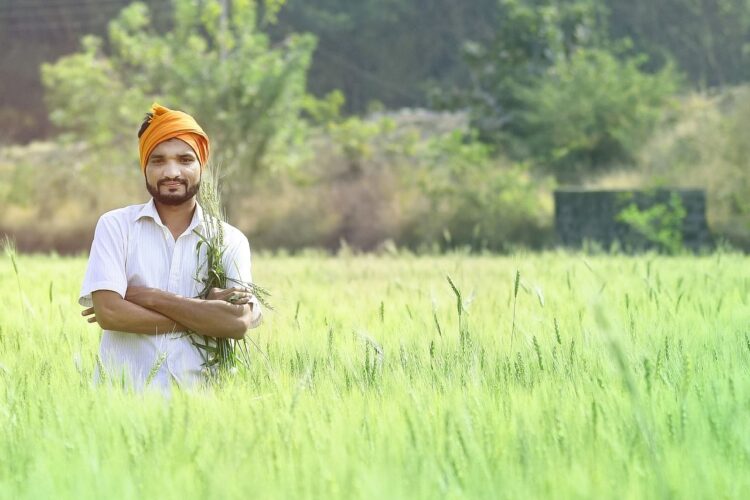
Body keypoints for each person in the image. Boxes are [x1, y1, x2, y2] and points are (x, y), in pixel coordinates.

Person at [79, 103, 262, 393]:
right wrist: (206, 312)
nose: (172, 172)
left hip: (201, 406)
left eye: (185, 159)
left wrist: (147, 297)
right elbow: (111, 314)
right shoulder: (115, 226)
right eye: (158, 160)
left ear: (201, 165)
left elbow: (237, 322)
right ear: (145, 167)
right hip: (121, 403)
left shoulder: (230, 240)